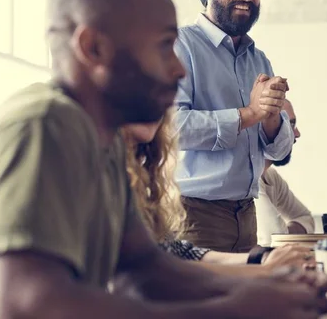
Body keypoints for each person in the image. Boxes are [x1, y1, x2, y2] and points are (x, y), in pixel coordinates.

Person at [0, 0, 327, 319]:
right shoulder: (42, 125)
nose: (179, 70)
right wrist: (238, 307)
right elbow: (23, 306)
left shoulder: (103, 141)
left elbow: (144, 271)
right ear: (93, 49)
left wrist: (270, 283)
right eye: (165, 47)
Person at [174, 0, 294, 253]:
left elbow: (280, 152)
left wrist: (269, 118)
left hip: (247, 214)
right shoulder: (180, 45)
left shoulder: (260, 59)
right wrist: (250, 113)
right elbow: (171, 127)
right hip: (193, 214)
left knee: (242, 303)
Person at [122, 112, 315, 276]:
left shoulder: (140, 180)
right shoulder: (107, 183)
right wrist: (263, 268)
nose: (292, 133)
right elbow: (154, 273)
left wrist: (261, 260)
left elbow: (177, 253)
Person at [256, 100, 315, 247]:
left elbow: (306, 218)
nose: (297, 134)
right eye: (289, 125)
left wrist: (286, 235)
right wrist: (285, 236)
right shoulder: (249, 180)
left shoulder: (271, 177)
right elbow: (274, 240)